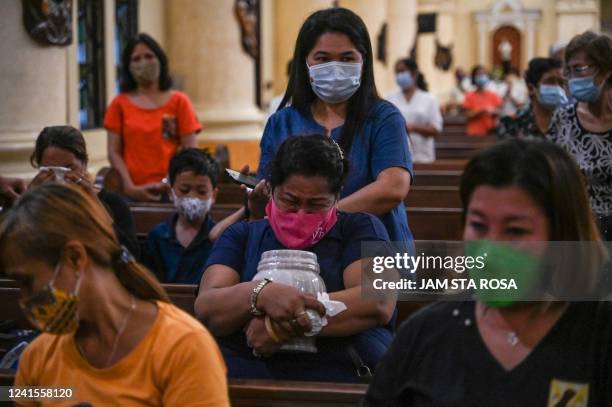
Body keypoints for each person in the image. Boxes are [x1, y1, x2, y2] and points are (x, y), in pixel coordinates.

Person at [363, 138, 611, 406]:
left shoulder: (599, 332)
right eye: (479, 226)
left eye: (515, 231)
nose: (489, 253)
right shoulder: (426, 333)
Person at [0, 183, 229, 406]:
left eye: (27, 281)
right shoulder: (38, 356)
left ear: (75, 258)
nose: (24, 299)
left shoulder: (184, 347)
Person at [195, 135, 396, 382]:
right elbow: (208, 307)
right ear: (271, 189)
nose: (301, 214)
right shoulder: (243, 235)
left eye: (316, 204)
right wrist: (260, 294)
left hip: (339, 374)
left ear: (336, 196)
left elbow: (378, 301)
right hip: (250, 377)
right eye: (290, 201)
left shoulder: (361, 228)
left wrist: (277, 328)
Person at [255, 8, 413, 244]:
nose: (335, 68)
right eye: (323, 58)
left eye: (347, 58)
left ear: (363, 61)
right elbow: (268, 193)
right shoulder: (282, 122)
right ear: (305, 63)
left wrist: (325, 219)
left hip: (373, 249)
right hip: (299, 251)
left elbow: (393, 187)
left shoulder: (384, 118)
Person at [104, 33, 201, 202]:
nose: (143, 62)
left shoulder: (179, 102)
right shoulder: (119, 104)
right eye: (136, 59)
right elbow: (114, 152)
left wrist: (169, 181)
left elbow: (189, 150)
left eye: (149, 56)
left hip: (173, 191)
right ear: (128, 66)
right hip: (130, 193)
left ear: (160, 60)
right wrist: (130, 187)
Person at [28, 125, 139, 257]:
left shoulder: (112, 203)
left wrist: (94, 203)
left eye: (68, 168)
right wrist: (27, 202)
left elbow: (130, 255)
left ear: (84, 164)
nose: (59, 177)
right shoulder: (34, 202)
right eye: (50, 170)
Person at [547, 31, 612, 240]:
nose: (573, 79)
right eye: (570, 71)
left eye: (580, 69)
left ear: (606, 70)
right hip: (576, 233)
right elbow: (550, 175)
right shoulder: (563, 119)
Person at [143, 148, 218, 284]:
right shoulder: (157, 237)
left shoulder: (220, 239)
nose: (192, 197)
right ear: (171, 192)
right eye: (184, 190)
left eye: (201, 191)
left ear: (213, 195)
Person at [385, 58, 442, 163]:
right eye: (397, 72)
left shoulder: (429, 99)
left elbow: (436, 129)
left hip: (423, 156)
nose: (399, 76)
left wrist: (414, 127)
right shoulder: (389, 98)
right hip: (396, 156)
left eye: (402, 71)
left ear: (414, 74)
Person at [498, 58, 567, 139]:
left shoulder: (570, 123)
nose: (557, 87)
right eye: (550, 81)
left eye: (561, 83)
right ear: (531, 88)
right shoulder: (512, 124)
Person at [463, 65, 502, 137]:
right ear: (474, 77)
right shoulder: (469, 96)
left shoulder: (493, 95)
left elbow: (499, 111)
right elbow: (467, 115)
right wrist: (481, 110)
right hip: (474, 134)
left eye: (483, 74)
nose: (481, 76)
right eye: (478, 74)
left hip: (491, 132)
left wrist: (492, 111)